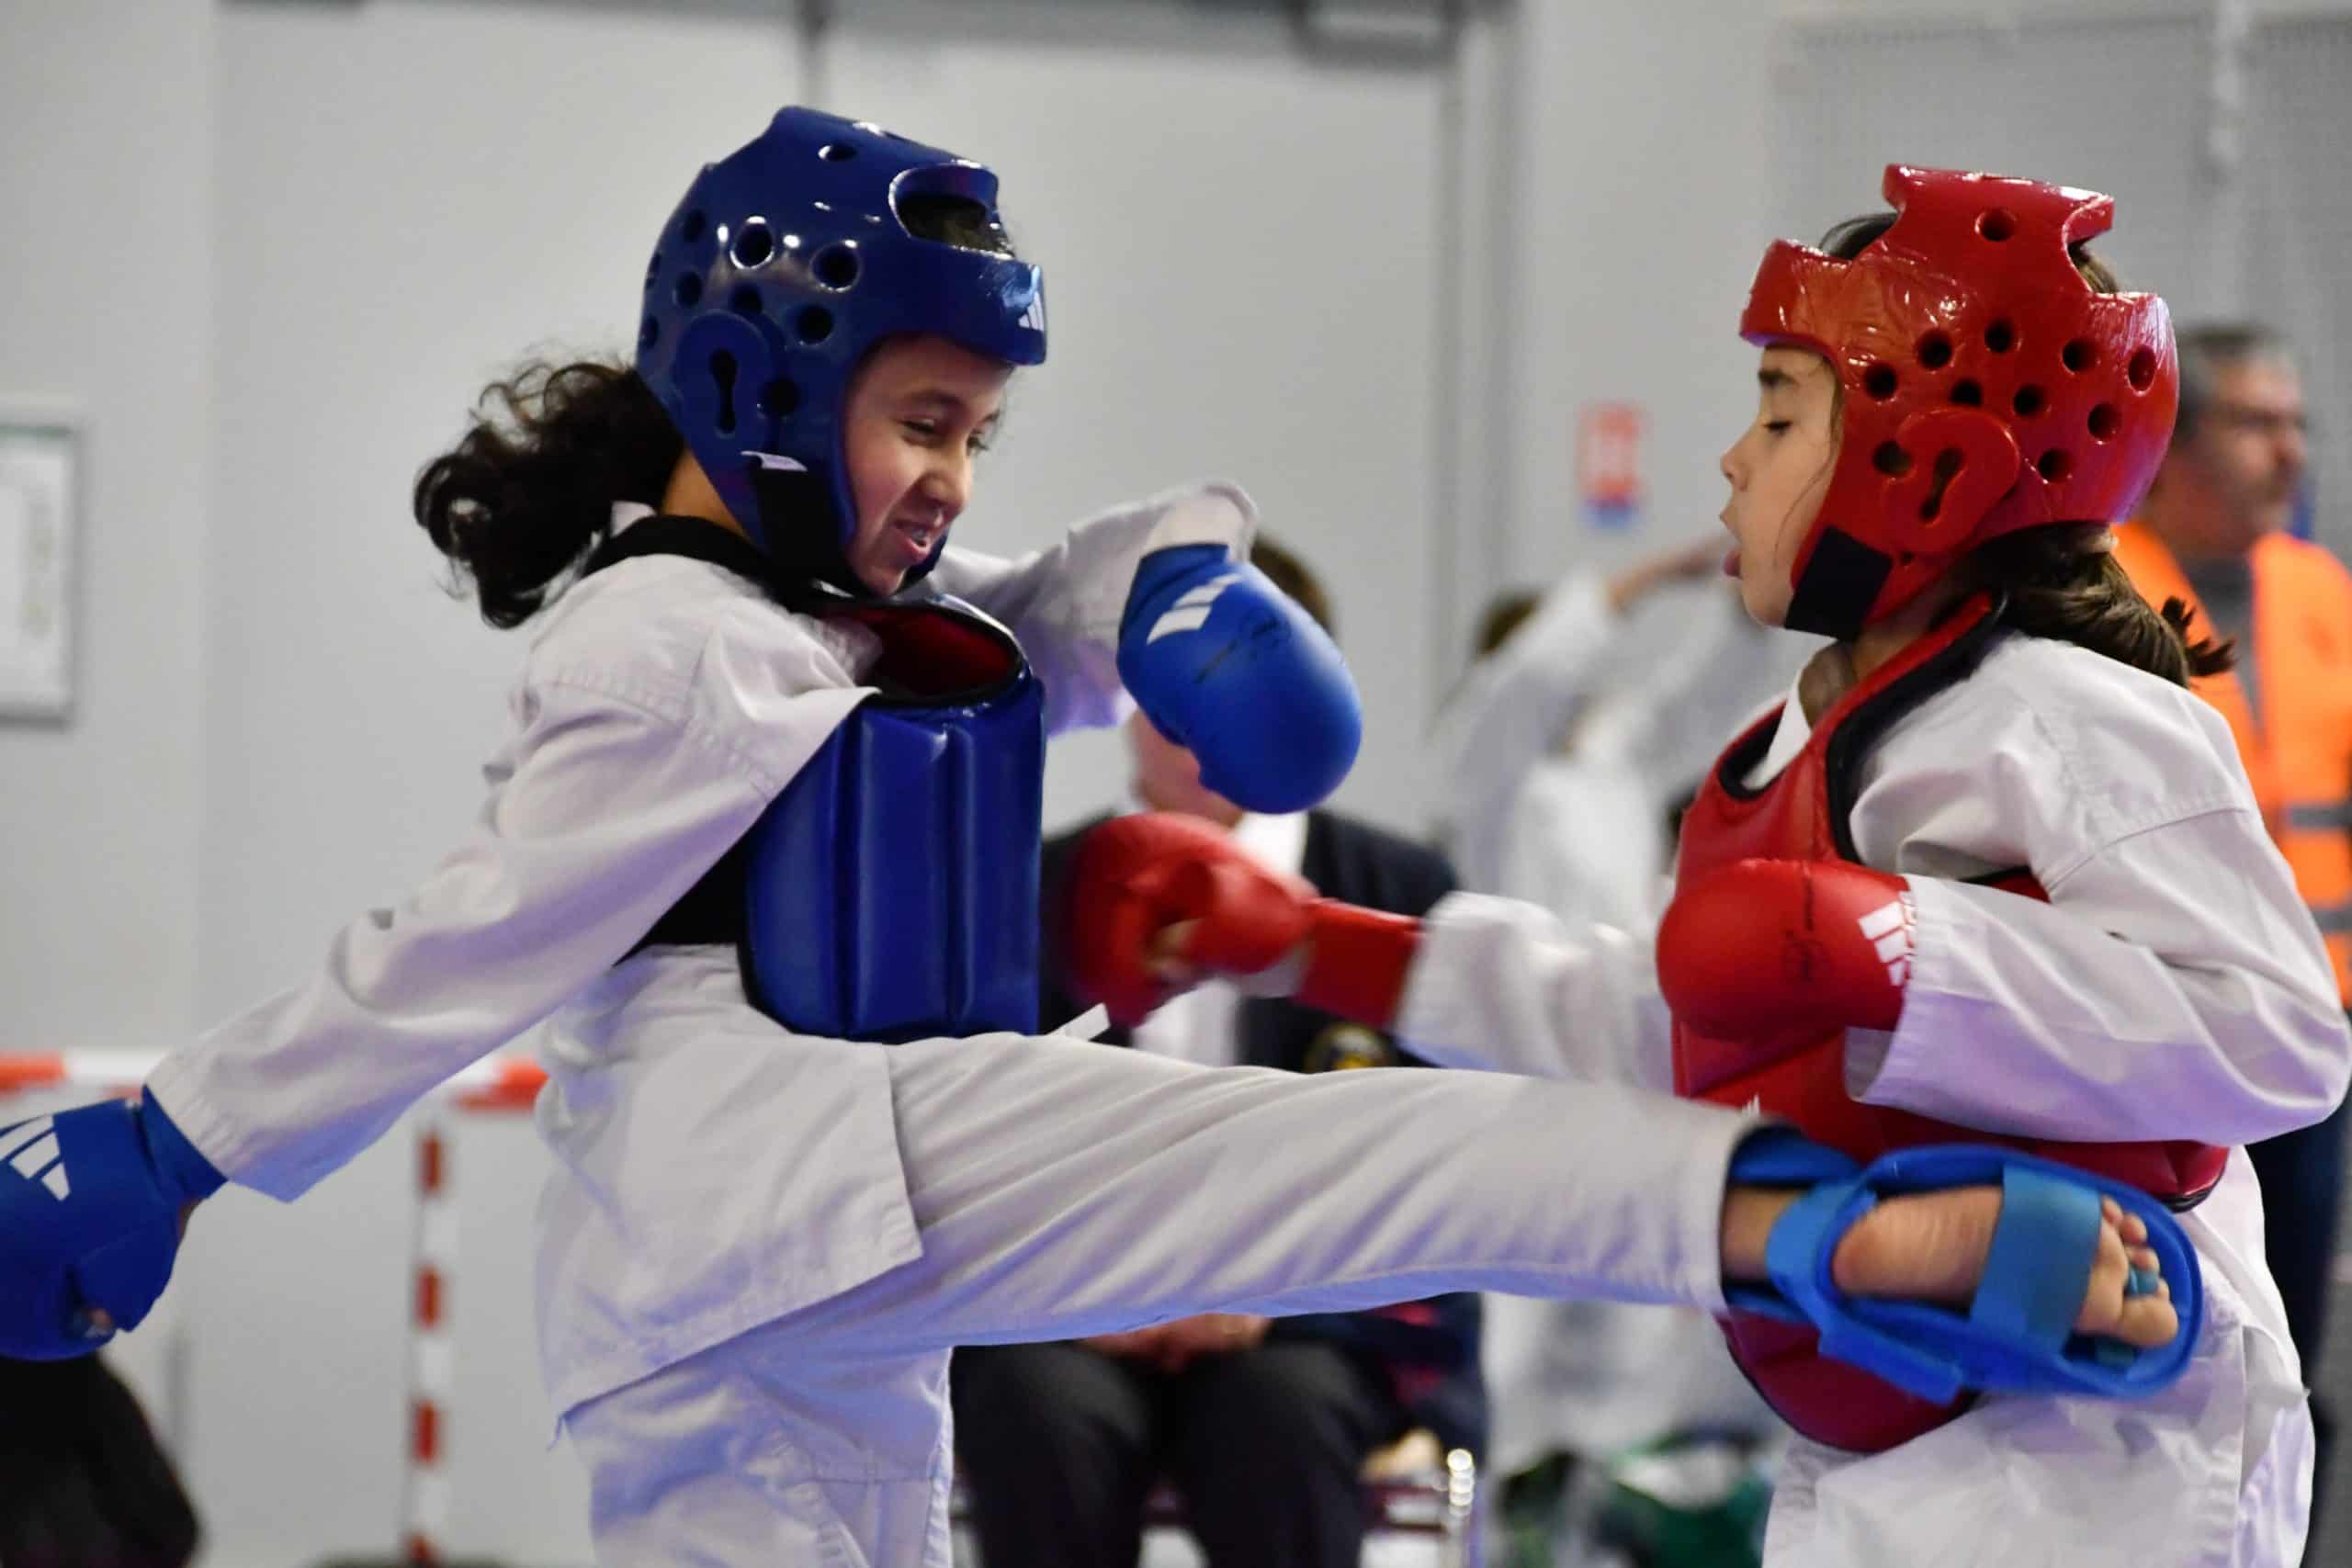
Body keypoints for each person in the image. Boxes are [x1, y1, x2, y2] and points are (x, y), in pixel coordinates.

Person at [0, 118, 2186, 1568]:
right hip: (777, 1159)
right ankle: (1814, 1228)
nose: (955, 477)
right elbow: (462, 948)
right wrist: (177, 1137)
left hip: (765, 1266)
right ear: (765, 390)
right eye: (921, 422)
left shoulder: (817, 598)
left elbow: (1029, 611)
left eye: (978, 430)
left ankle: (1797, 1223)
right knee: (1358, 1161)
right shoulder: (669, 649)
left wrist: (1170, 580)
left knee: (1327, 1185)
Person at [1066, 167, 2349, 1566]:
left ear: (1931, 462)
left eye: (1780, 414)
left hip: (2112, 1448)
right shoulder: (1794, 740)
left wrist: (1902, 950)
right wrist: (1317, 942)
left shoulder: (2070, 713)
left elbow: (2280, 1036)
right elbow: (1693, 1017)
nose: (1735, 461)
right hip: (1882, 1428)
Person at [954, 536, 1479, 1568]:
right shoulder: (1020, 888)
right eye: (1173, 688)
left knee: (1278, 1420)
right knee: (1033, 1408)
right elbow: (968, 1142)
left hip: (1309, 1326)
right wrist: (1082, 1293)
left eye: (1240, 684)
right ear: (1122, 692)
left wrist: (1272, 1300)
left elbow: (1446, 1174)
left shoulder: (1396, 890)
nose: (1201, 721)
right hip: (1071, 1314)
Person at [2112, 323, 2352, 1530]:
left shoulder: (2317, 589)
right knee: (2170, 1337)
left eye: (2296, 422)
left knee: (2289, 1347)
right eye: (2257, 423)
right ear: (2169, 445)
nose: (2291, 450)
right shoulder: (2099, 588)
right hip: (2163, 1048)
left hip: (2311, 1043)